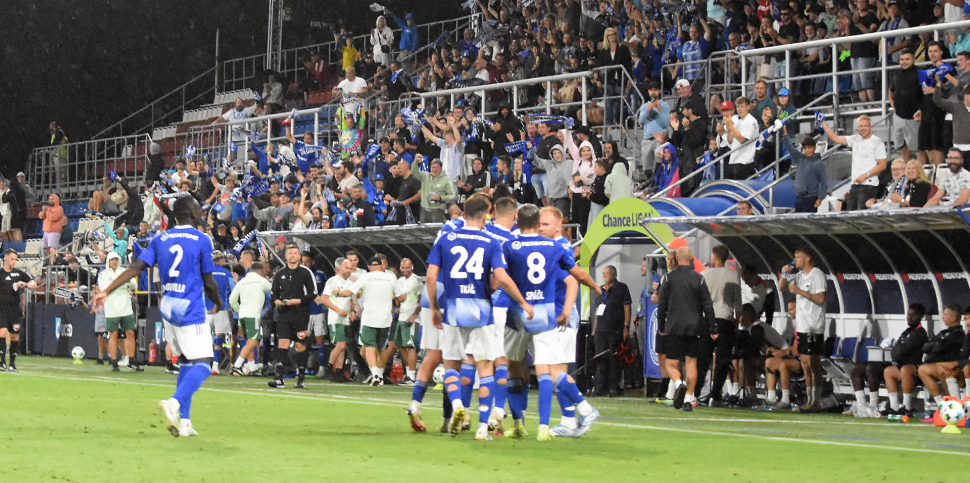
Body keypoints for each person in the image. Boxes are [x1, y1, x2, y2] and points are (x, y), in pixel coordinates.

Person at [94, 195, 223, 438]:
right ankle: (173, 404)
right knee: (204, 363)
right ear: (193, 213)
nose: (201, 213)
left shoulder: (160, 238)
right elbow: (209, 281)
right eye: (199, 209)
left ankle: (185, 422)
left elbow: (135, 268)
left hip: (168, 306)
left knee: (186, 362)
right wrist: (219, 302)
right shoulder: (202, 239)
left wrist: (106, 291)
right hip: (190, 308)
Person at [425, 195, 532, 440]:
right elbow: (500, 278)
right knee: (485, 367)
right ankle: (483, 428)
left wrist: (434, 308)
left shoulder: (446, 238)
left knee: (451, 364)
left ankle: (457, 406)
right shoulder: (490, 241)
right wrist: (522, 301)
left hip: (453, 308)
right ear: (485, 216)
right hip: (482, 309)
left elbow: (431, 277)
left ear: (464, 214)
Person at [504, 204, 596, 441]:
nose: (543, 228)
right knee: (547, 368)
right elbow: (573, 277)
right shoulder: (552, 247)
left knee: (548, 369)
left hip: (547, 315)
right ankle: (557, 421)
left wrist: (568, 309)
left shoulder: (553, 246)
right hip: (545, 314)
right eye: (541, 223)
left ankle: (576, 414)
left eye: (547, 224)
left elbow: (573, 280)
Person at [656, 247, 716, 411]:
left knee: (671, 363)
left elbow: (662, 304)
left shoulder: (668, 278)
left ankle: (678, 383)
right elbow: (707, 305)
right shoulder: (699, 278)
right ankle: (689, 397)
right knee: (691, 362)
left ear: (677, 258)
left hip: (674, 325)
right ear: (691, 258)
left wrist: (661, 325)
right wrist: (713, 327)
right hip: (694, 326)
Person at [336, 256, 402, 386]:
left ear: (369, 267)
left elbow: (349, 292)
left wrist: (339, 293)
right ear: (381, 266)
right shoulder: (391, 277)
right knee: (382, 348)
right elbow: (399, 296)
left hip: (370, 318)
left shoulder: (365, 277)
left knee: (369, 346)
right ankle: (380, 375)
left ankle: (375, 374)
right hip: (386, 319)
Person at [779, 247, 827, 413]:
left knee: (814, 364)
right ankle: (809, 400)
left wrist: (800, 292)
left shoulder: (817, 275)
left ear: (807, 258)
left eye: (798, 257)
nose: (795, 260)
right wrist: (784, 274)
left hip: (814, 326)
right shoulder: (799, 276)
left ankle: (816, 401)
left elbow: (820, 298)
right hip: (802, 326)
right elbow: (782, 287)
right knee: (805, 364)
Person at [269, 243, 317, 389]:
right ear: (286, 256)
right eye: (290, 253)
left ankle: (301, 378)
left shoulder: (306, 273)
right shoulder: (280, 274)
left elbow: (313, 293)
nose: (292, 256)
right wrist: (277, 302)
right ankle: (279, 378)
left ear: (299, 256)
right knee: (282, 343)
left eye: (295, 253)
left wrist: (299, 301)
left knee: (300, 344)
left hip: (301, 314)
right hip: (284, 314)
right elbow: (274, 294)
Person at [701, 245, 743, 407]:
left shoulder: (704, 274)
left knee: (704, 357)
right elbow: (737, 302)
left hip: (708, 319)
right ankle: (716, 394)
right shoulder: (732, 274)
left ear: (715, 257)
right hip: (725, 319)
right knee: (722, 359)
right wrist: (736, 321)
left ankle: (696, 391)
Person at [820, 115, 888, 210]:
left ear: (870, 127)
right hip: (855, 185)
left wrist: (865, 175)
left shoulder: (877, 141)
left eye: (865, 126)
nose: (863, 128)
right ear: (857, 128)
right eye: (861, 126)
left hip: (869, 186)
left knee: (862, 215)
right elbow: (835, 138)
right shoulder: (855, 139)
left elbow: (883, 164)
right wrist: (822, 123)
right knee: (850, 214)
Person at [592, 265, 632, 398]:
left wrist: (626, 327)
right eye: (603, 273)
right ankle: (600, 387)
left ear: (614, 275)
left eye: (607, 273)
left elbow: (627, 307)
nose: (604, 275)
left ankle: (613, 386)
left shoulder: (621, 288)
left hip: (615, 329)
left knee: (614, 358)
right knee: (600, 358)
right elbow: (597, 312)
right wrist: (594, 330)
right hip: (601, 330)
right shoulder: (600, 290)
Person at [98, 251, 142, 372]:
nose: (115, 262)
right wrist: (122, 283)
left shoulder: (123, 271)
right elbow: (104, 288)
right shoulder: (103, 274)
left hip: (126, 307)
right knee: (113, 335)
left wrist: (123, 283)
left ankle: (131, 361)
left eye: (116, 259)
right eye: (112, 260)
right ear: (108, 261)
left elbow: (134, 285)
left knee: (130, 333)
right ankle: (114, 361)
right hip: (112, 308)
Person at [881, 303, 928, 416]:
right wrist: (898, 350)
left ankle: (907, 407)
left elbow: (904, 349)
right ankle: (894, 407)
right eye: (908, 314)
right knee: (888, 371)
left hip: (915, 368)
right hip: (902, 366)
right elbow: (895, 350)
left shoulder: (921, 333)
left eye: (913, 315)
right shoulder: (906, 332)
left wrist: (899, 350)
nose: (909, 317)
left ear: (920, 316)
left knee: (905, 369)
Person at [228, 261, 273, 376]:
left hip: (242, 315)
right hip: (253, 315)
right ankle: (237, 365)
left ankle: (252, 368)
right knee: (254, 341)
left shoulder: (242, 282)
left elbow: (232, 300)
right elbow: (273, 291)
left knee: (249, 341)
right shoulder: (261, 281)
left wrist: (239, 310)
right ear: (260, 270)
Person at [917, 304, 966, 408]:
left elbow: (939, 348)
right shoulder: (944, 332)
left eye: (945, 314)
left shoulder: (958, 334)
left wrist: (935, 345)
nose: (943, 317)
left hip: (949, 365)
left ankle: (950, 405)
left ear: (953, 317)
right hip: (936, 364)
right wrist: (935, 345)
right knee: (922, 369)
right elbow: (925, 347)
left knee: (928, 369)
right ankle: (941, 405)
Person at [0, 249, 38, 371]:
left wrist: (25, 284)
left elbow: (34, 284)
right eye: (12, 259)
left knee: (14, 337)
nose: (14, 262)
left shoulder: (19, 274)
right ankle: (2, 362)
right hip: (2, 308)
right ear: (5, 258)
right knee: (2, 332)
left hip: (15, 309)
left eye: (15, 260)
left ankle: (12, 364)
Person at [321, 257, 354, 383]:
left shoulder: (350, 283)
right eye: (346, 268)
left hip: (345, 319)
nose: (349, 270)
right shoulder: (333, 281)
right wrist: (338, 310)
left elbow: (350, 300)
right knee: (341, 345)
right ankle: (329, 367)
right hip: (335, 318)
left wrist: (352, 311)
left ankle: (339, 372)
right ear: (339, 268)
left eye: (350, 268)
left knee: (342, 347)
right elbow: (324, 299)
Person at [888, 49, 922, 162]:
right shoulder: (896, 73)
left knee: (919, 149)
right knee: (902, 147)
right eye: (902, 59)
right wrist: (892, 103)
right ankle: (907, 170)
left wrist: (921, 110)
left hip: (914, 117)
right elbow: (891, 90)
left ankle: (921, 171)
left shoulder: (920, 73)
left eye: (907, 59)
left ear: (914, 59)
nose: (904, 62)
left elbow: (926, 95)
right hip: (898, 115)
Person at [393, 258, 423, 385]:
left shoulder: (417, 281)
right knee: (400, 346)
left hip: (411, 318)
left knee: (410, 347)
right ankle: (408, 373)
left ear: (412, 267)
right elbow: (397, 296)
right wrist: (398, 305)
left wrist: (414, 315)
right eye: (403, 267)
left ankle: (412, 376)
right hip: (401, 317)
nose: (405, 270)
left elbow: (421, 300)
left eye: (407, 267)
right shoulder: (399, 281)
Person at [205, 250, 235, 375]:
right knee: (218, 338)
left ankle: (203, 365)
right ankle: (215, 366)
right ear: (222, 260)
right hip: (221, 309)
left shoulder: (205, 272)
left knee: (204, 338)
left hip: (206, 309)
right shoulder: (226, 273)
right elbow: (233, 289)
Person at [782, 135, 828, 212]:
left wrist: (820, 198)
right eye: (805, 148)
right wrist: (785, 135)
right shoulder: (800, 159)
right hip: (799, 198)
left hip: (811, 199)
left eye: (809, 148)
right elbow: (791, 148)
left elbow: (824, 183)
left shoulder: (819, 164)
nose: (807, 150)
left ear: (815, 147)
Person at [724, 97, 760, 180]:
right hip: (733, 160)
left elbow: (742, 139)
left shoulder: (751, 121)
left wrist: (731, 126)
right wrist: (729, 129)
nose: (739, 109)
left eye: (742, 106)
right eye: (738, 106)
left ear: (748, 107)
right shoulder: (738, 121)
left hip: (745, 161)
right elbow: (730, 141)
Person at [412, 157, 455, 223]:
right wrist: (416, 162)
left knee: (436, 229)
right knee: (423, 229)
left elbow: (453, 195)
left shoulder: (446, 180)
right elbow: (414, 172)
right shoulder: (425, 176)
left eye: (437, 167)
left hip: (438, 210)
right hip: (424, 210)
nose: (435, 169)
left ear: (441, 168)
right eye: (433, 167)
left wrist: (440, 198)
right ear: (430, 168)